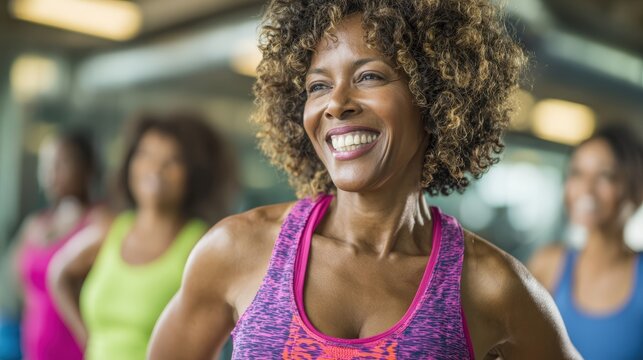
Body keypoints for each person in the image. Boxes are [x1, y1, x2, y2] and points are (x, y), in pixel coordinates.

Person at [149, 1, 580, 358]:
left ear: (434, 96)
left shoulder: (490, 285)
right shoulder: (238, 249)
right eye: (318, 86)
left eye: (369, 76)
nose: (336, 104)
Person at [48, 112, 235, 360]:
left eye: (172, 160)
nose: (155, 168)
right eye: (145, 155)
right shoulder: (111, 230)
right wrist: (90, 341)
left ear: (193, 174)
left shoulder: (202, 244)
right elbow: (59, 274)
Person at [529, 126, 643, 359]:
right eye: (577, 173)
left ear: (636, 190)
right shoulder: (547, 264)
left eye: (605, 176)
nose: (586, 189)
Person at [13, 132, 104, 360]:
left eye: (62, 163)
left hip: (76, 347)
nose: (52, 174)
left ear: (86, 169)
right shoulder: (35, 225)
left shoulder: (100, 223)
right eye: (46, 165)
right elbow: (22, 288)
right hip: (34, 348)